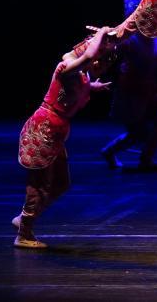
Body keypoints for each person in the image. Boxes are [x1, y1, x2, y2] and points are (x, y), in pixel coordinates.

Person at [14, 27, 118, 248]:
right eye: (102, 61)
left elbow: (80, 81)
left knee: (61, 183)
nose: (102, 67)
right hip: (43, 129)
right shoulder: (66, 68)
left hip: (56, 132)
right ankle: (24, 233)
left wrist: (93, 87)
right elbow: (85, 59)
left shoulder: (81, 76)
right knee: (39, 185)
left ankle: (24, 219)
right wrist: (102, 33)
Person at [101, 0, 157, 172]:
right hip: (131, 91)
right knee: (138, 134)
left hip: (150, 89)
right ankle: (109, 151)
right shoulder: (129, 38)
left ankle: (146, 159)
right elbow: (108, 57)